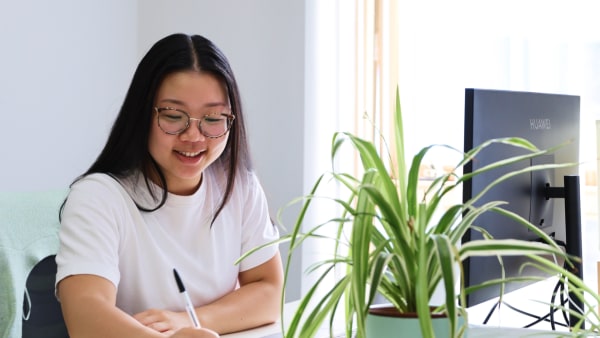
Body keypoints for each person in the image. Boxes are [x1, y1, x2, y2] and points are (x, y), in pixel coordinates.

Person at [55, 33, 284, 338]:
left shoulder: (239, 186)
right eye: (174, 116)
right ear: (142, 115)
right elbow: (85, 315)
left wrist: (189, 321)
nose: (193, 136)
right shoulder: (99, 196)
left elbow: (269, 292)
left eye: (213, 118)